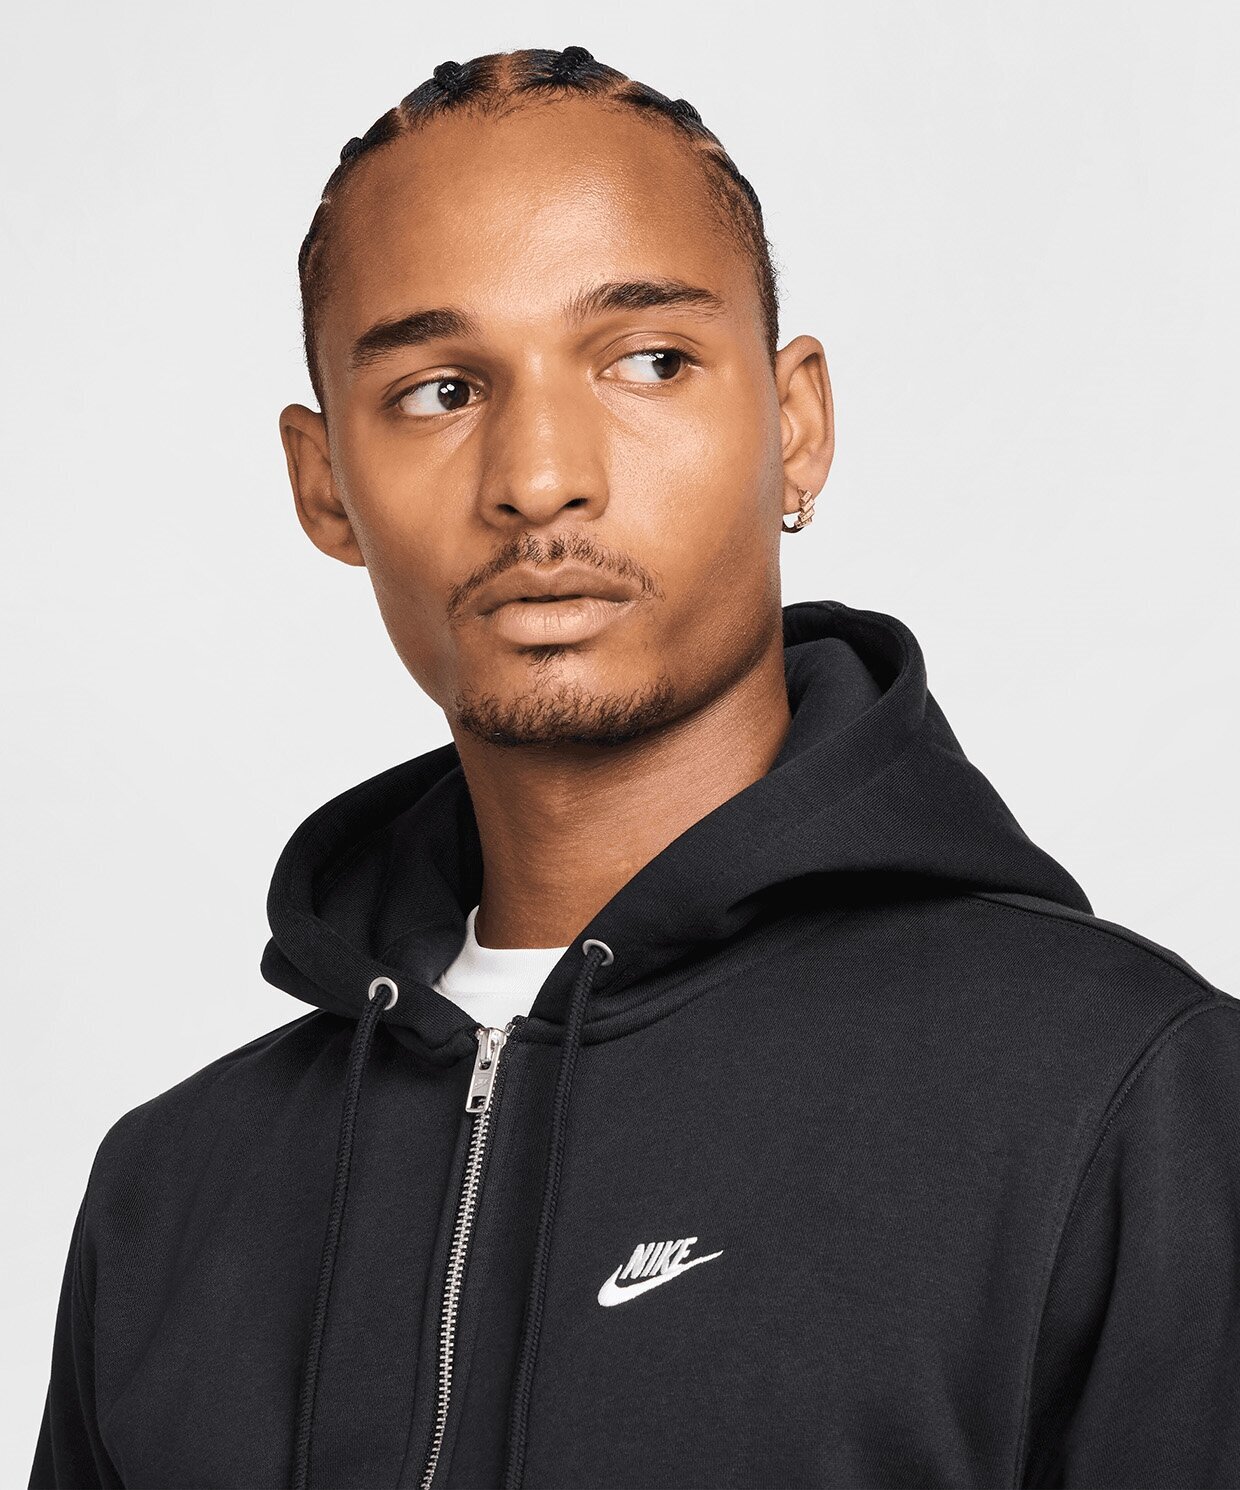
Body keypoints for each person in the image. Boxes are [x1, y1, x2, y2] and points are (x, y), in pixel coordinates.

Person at [29, 43, 1240, 1490]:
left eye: (649, 360)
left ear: (796, 425)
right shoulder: (169, 1195)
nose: (540, 476)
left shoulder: (1123, 1095)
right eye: (437, 390)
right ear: (323, 482)